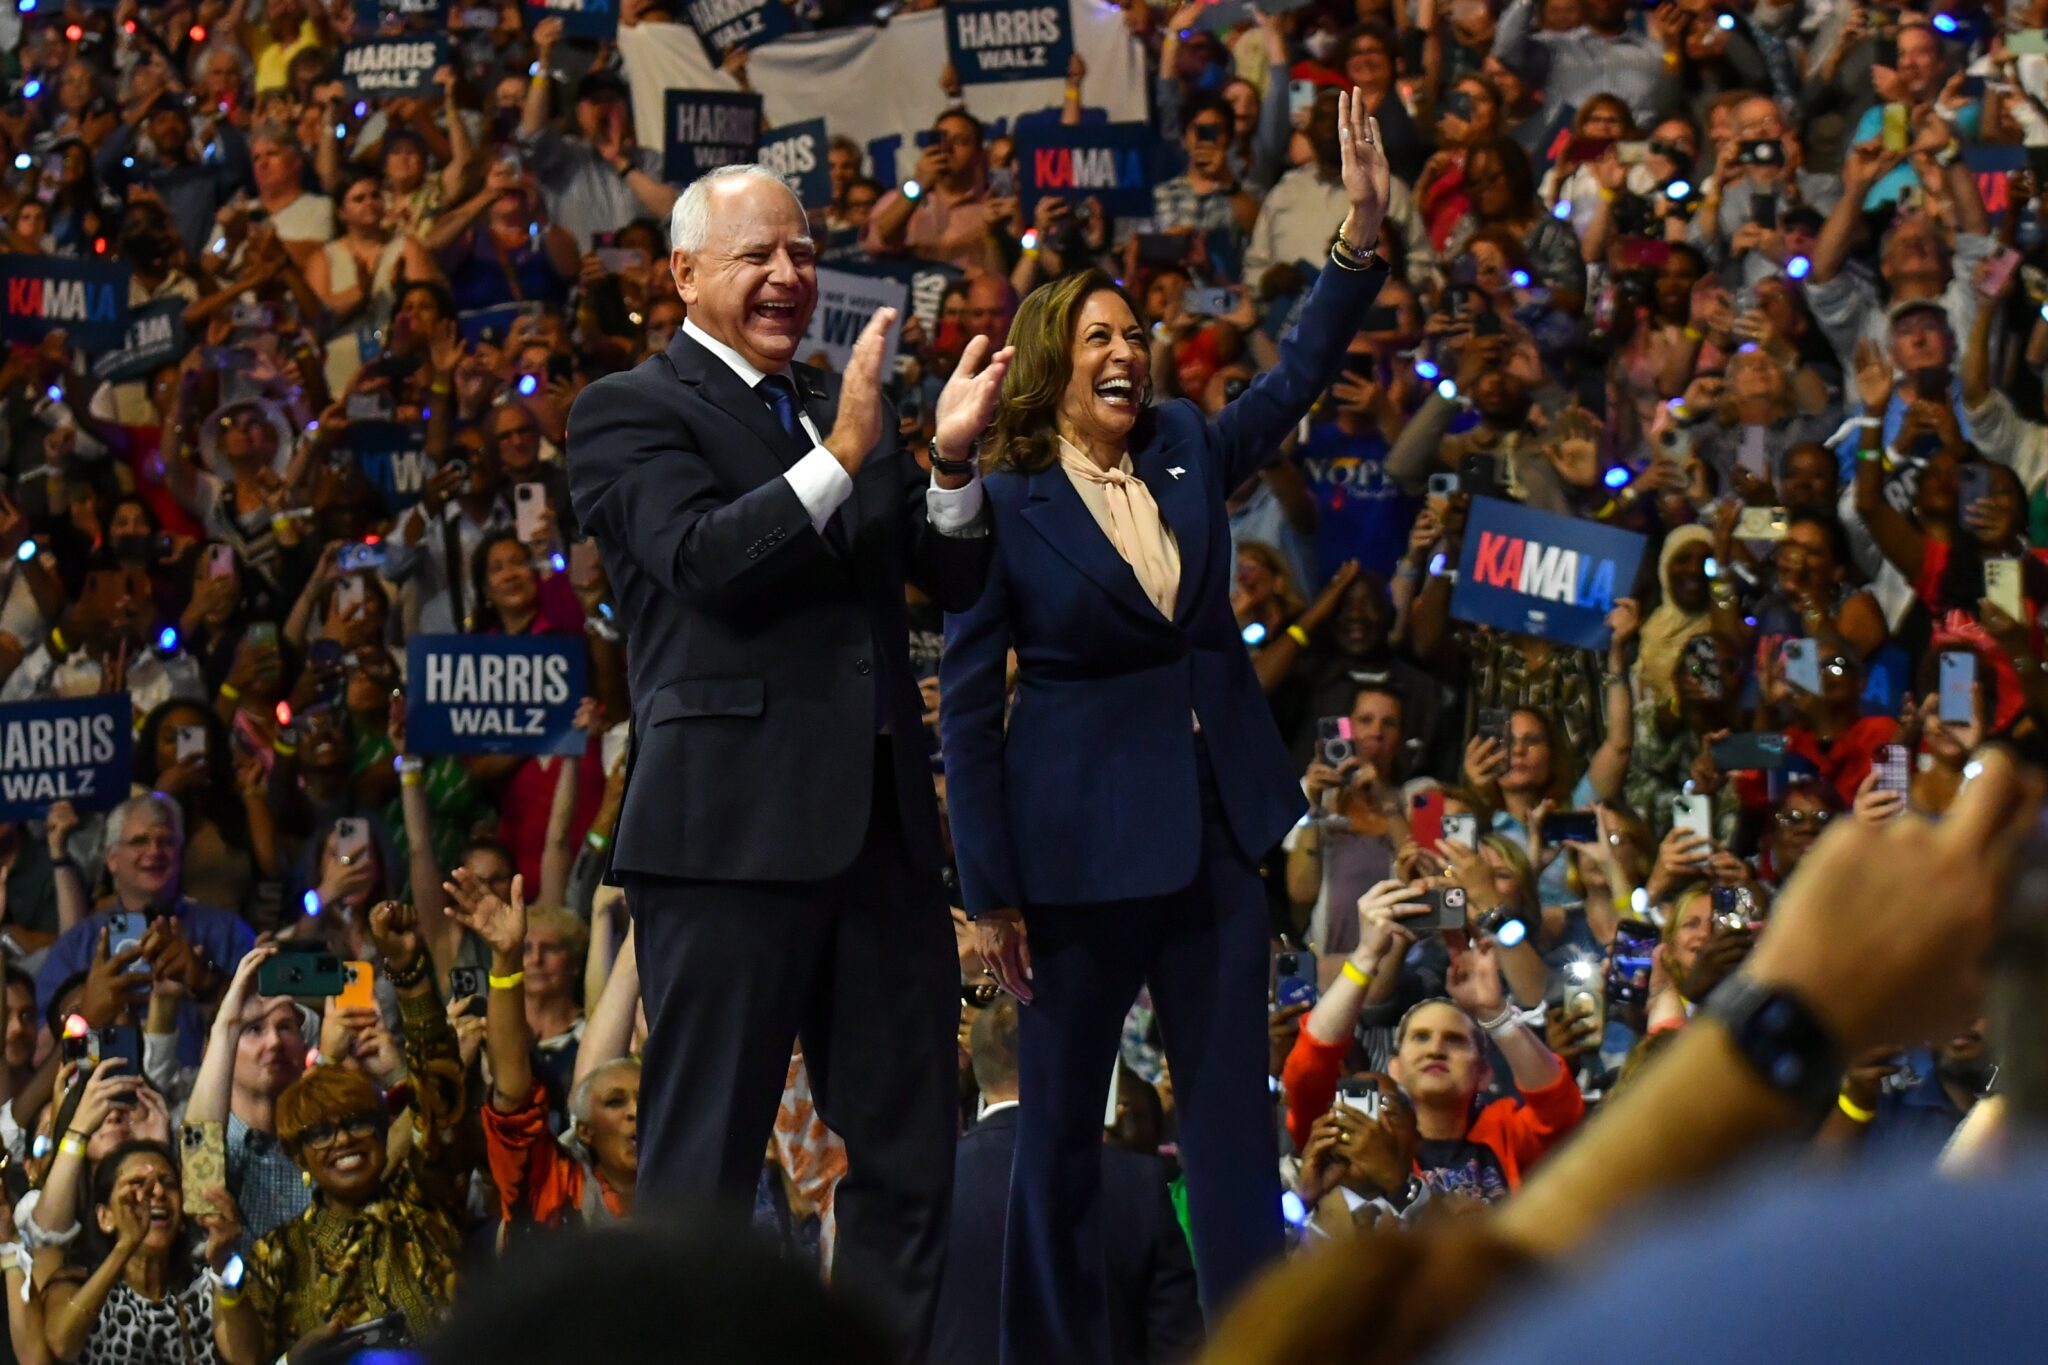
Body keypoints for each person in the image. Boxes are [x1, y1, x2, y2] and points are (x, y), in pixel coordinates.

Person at [941, 88, 1391, 1364]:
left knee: (1235, 1135)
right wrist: (986, 895)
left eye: (1134, 331)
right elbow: (969, 710)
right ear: (1051, 358)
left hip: (1210, 841)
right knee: (1060, 1143)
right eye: (1097, 335)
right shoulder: (1006, 496)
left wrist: (1357, 240)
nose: (1126, 349)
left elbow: (1294, 379)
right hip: (1072, 861)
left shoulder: (1190, 444)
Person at [563, 162, 1013, 1360]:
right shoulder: (628, 409)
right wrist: (844, 451)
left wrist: (952, 465)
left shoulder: (834, 397)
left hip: (879, 843)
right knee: (700, 1169)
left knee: (913, 1158)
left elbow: (950, 575)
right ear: (684, 274)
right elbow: (703, 561)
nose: (786, 275)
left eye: (802, 252)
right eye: (756, 255)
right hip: (724, 841)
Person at [215, 901, 467, 1361]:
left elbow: (440, 1101)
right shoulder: (279, 1255)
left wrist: (409, 973)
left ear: (380, 1127)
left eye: (355, 1123)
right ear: (298, 1155)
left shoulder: (425, 1204)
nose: (344, 1140)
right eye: (320, 1133)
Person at [931, 997, 1200, 1365]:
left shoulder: (930, 1188)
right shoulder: (1138, 1184)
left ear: (980, 1069)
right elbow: (1178, 1348)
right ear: (1064, 1059)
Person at [451, 869, 639, 1229]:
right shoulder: (556, 1187)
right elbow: (512, 1095)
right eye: (616, 1102)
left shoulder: (688, 1188)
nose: (636, 1113)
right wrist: (506, 960)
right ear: (583, 1130)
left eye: (645, 1101)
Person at [33, 795, 254, 1067]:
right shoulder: (77, 945)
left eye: (167, 841)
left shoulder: (228, 932)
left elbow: (262, 1025)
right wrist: (91, 1012)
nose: (154, 851)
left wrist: (204, 980)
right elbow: (41, 1051)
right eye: (139, 841)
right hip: (102, 1092)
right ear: (111, 859)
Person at [34, 1139, 240, 1365]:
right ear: (105, 1217)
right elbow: (62, 1344)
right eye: (138, 1184)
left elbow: (246, 1358)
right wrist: (127, 1244)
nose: (158, 1192)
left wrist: (223, 1265)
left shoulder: (204, 1284)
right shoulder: (76, 1282)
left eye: (168, 1183)